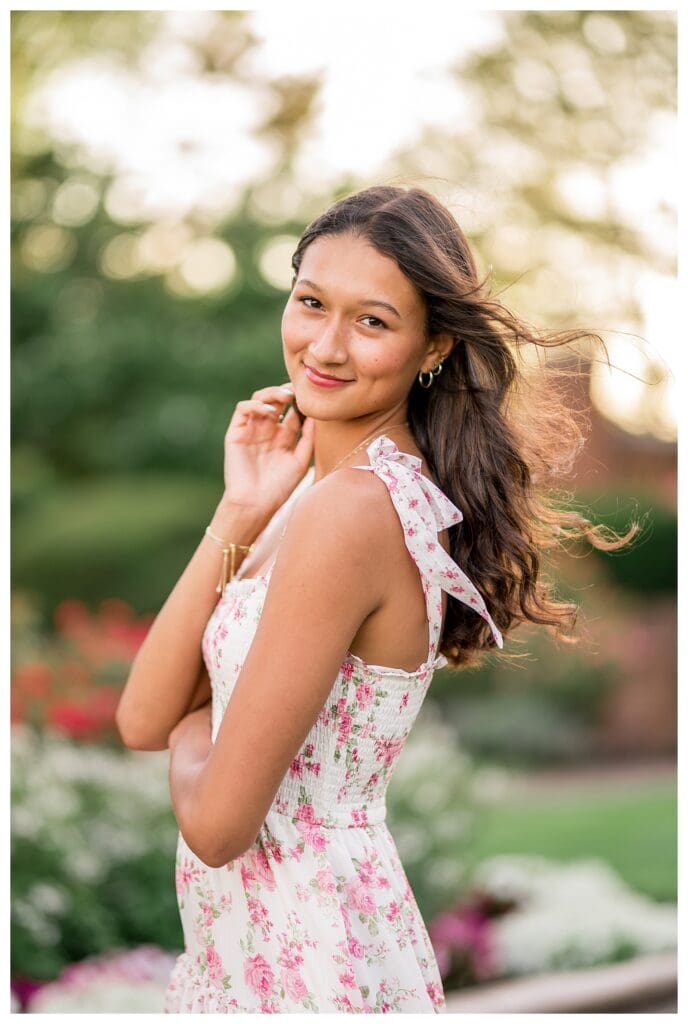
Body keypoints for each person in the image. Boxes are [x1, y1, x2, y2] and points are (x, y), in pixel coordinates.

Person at [116, 185, 637, 1013]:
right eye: (311, 302)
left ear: (431, 348)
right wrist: (241, 510)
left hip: (306, 955)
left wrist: (197, 724)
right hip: (261, 944)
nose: (325, 344)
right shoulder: (318, 502)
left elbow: (217, 827)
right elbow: (140, 719)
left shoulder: (351, 512)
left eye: (372, 321)